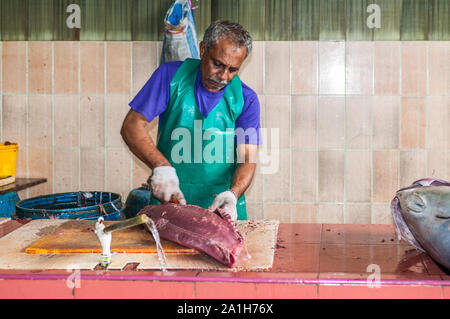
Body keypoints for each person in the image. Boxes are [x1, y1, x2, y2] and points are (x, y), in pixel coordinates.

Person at [121, 20, 261, 221]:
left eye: (232, 70)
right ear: (203, 49)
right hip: (170, 203)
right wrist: (161, 166)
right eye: (217, 64)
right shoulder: (170, 77)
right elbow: (131, 126)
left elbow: (248, 158)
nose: (223, 76)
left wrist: (233, 193)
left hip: (221, 209)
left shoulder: (246, 99)